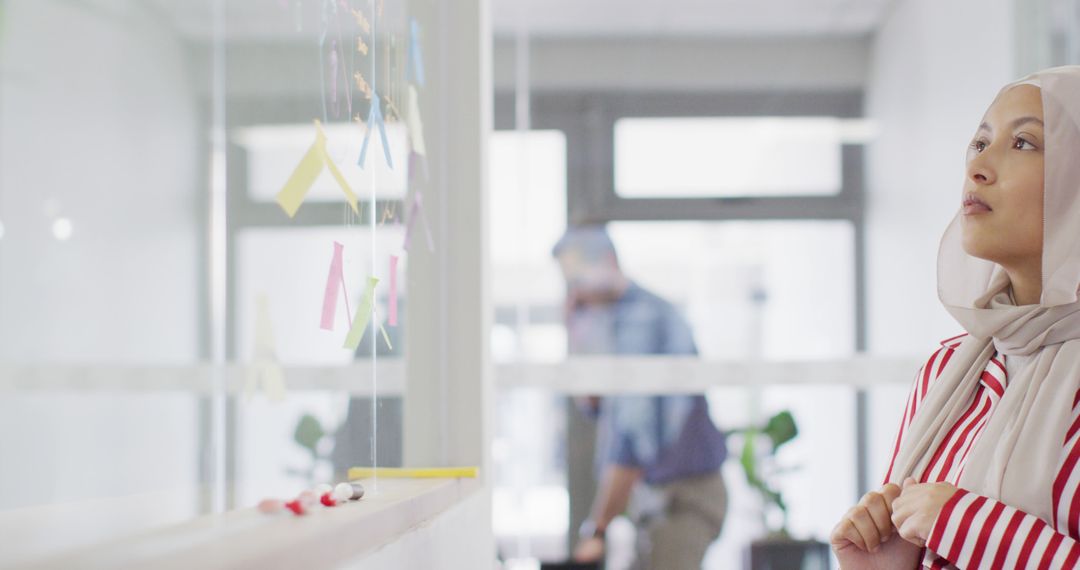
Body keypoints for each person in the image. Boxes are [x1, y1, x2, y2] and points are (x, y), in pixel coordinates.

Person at [831, 66, 1080, 569]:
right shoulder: (946, 370)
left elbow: (958, 528)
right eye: (979, 143)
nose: (978, 168)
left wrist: (970, 528)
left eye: (1025, 143)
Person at [553, 226, 728, 570]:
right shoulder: (612, 320)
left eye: (576, 277)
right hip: (656, 499)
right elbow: (594, 405)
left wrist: (597, 529)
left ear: (607, 261)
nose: (574, 290)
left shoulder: (643, 321)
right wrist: (576, 336)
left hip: (685, 497)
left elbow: (632, 439)